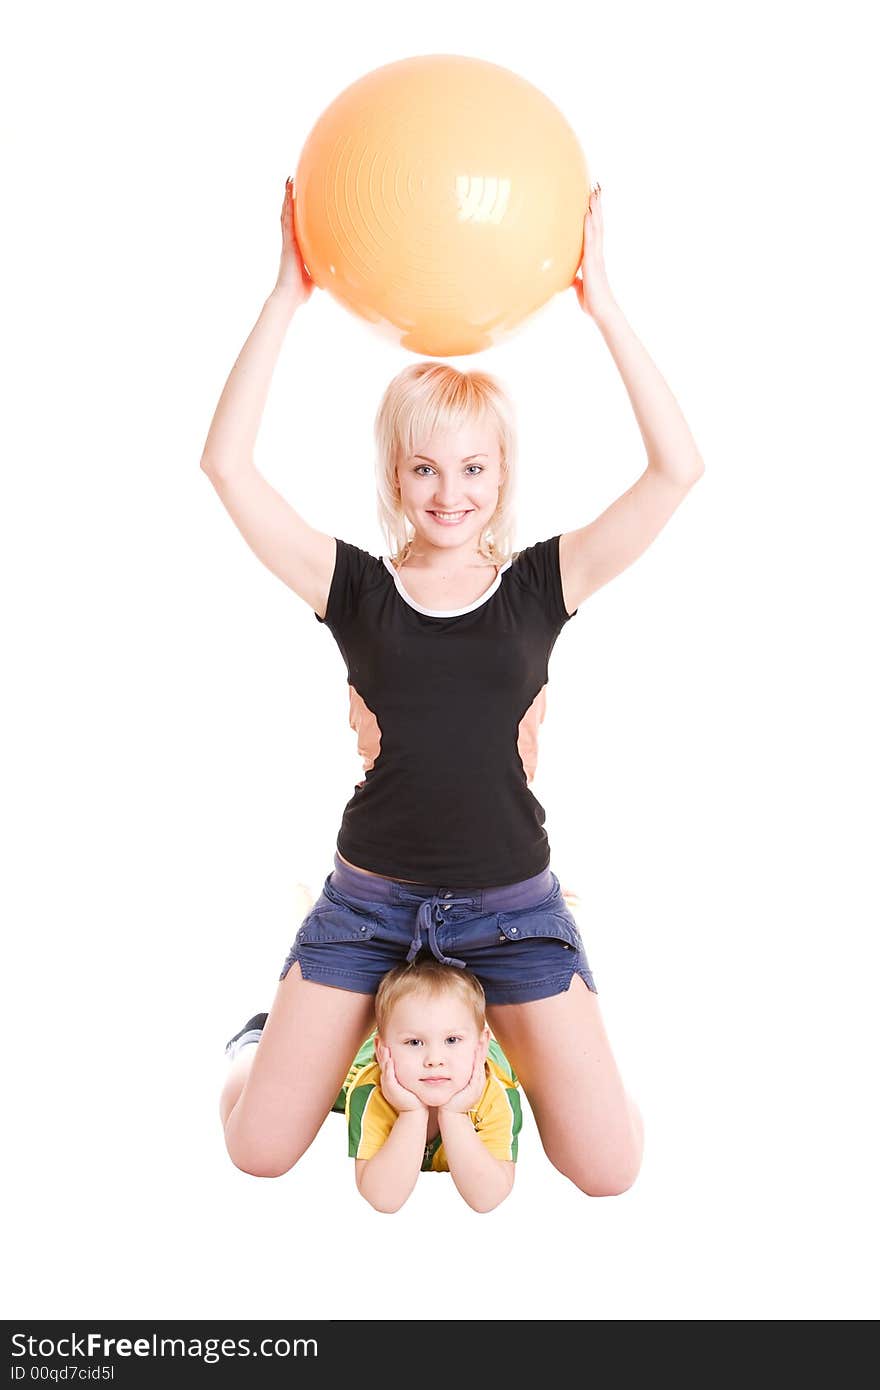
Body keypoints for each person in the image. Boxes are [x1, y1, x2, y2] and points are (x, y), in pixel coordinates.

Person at [204, 174, 704, 1196]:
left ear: (499, 478)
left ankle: (495, 1052)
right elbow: (226, 466)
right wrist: (284, 296)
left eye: (472, 470)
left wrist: (601, 301)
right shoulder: (356, 589)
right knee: (256, 1152)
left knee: (609, 1168)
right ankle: (296, 1040)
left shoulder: (537, 586)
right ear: (396, 477)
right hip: (368, 906)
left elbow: (676, 471)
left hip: (511, 912)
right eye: (426, 470)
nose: (449, 491)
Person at [227, 958, 522, 1212]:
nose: (434, 1059)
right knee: (291, 1093)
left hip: (475, 1053)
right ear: (384, 1051)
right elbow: (383, 1198)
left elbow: (488, 1198)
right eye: (415, 1042)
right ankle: (252, 1042)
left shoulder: (495, 1093)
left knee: (506, 1044)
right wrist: (410, 1113)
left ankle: (442, 1037)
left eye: (451, 1041)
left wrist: (455, 1115)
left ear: (480, 1048)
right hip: (373, 1059)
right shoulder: (371, 1090)